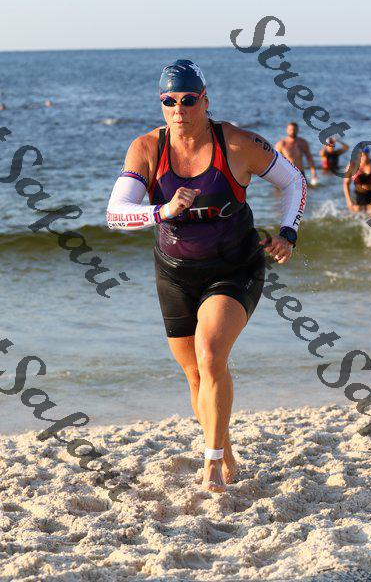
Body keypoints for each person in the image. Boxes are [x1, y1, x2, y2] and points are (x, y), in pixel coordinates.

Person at [106, 59, 306, 493]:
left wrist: (288, 232)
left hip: (234, 267)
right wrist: (163, 210)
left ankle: (211, 463)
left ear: (205, 100)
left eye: (188, 100)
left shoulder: (237, 143)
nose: (179, 109)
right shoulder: (147, 148)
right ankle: (226, 451)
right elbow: (116, 214)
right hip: (175, 273)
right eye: (169, 101)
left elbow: (294, 182)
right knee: (195, 375)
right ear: (162, 104)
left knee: (211, 353)